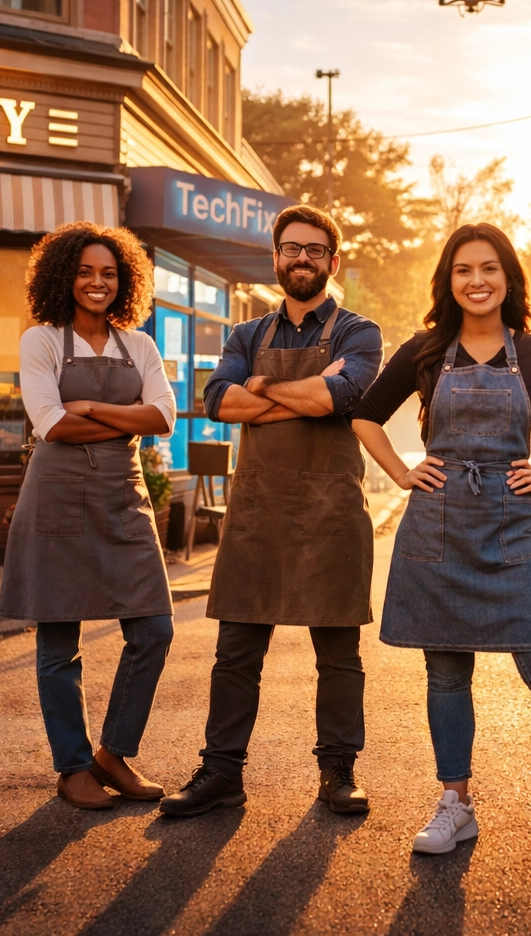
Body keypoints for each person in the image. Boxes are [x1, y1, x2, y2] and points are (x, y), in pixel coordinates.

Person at [353, 222, 531, 867]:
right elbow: (364, 415)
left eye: (488, 269)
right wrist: (403, 472)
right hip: (437, 524)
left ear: (508, 279)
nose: (476, 281)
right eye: (463, 270)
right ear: (448, 281)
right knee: (447, 672)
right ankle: (455, 803)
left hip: (514, 526)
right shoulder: (425, 351)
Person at [160, 204, 384, 819]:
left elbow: (345, 394)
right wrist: (306, 396)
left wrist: (261, 388)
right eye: (292, 248)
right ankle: (221, 773)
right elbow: (216, 401)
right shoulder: (246, 335)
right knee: (235, 653)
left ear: (332, 261)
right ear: (276, 257)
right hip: (257, 513)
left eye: (315, 249)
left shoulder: (359, 333)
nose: (302, 258)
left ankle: (338, 771)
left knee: (338, 655)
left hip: (332, 512)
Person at [0, 222, 177, 810]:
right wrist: (125, 417)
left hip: (123, 500)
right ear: (63, 277)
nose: (97, 282)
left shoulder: (140, 346)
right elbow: (51, 423)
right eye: (84, 272)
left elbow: (164, 418)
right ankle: (73, 767)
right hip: (57, 500)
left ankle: (112, 754)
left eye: (108, 273)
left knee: (154, 631)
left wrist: (92, 407)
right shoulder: (42, 341)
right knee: (59, 642)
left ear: (124, 281)